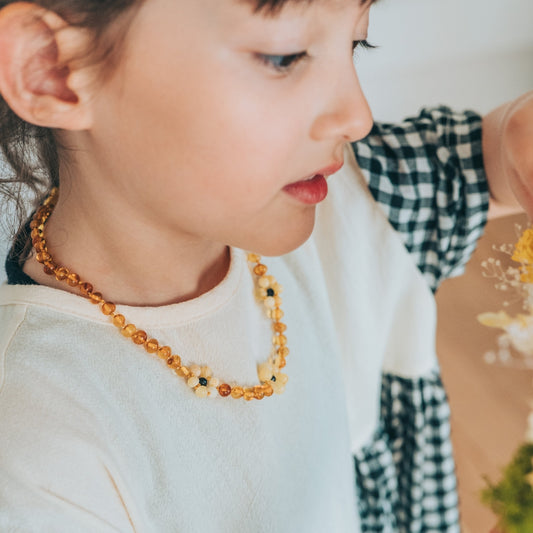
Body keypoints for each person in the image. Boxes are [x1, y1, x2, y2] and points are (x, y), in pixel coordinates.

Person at [0, 0, 531, 531]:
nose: (357, 115)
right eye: (285, 56)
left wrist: (517, 134)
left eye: (356, 42)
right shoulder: (35, 446)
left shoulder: (349, 208)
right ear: (52, 68)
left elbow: (496, 156)